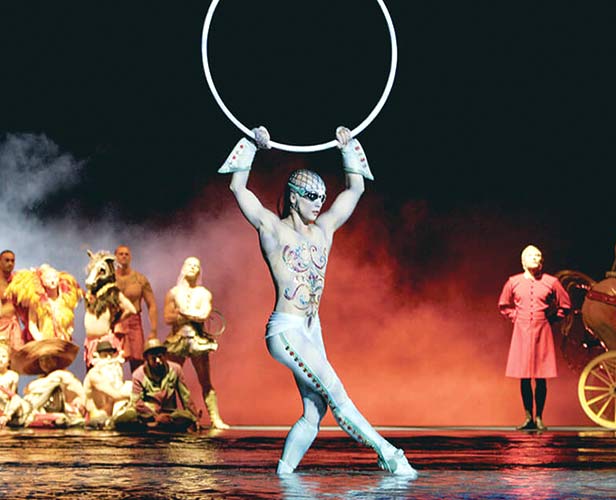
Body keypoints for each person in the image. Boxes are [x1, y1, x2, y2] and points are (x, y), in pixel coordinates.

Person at [223, 125, 415, 476]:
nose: (319, 205)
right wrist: (251, 143)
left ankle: (284, 474)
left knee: (315, 411)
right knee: (336, 391)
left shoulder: (324, 230)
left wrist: (348, 147)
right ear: (294, 197)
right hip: (286, 330)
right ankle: (389, 454)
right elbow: (238, 186)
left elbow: (355, 188)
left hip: (312, 329)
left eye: (322, 199)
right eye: (312, 198)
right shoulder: (272, 228)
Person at [498, 245, 571, 431]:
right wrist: (515, 317)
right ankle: (528, 417)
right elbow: (503, 305)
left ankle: (539, 417)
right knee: (524, 377)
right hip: (521, 332)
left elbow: (565, 305)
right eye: (530, 255)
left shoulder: (551, 282)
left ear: (542, 261)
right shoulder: (513, 282)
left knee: (540, 377)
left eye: (538, 255)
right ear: (523, 261)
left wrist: (552, 319)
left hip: (542, 331)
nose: (534, 258)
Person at [163, 256, 228, 429]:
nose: (192, 268)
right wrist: (190, 314)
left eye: (196, 266)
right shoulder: (173, 292)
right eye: (189, 265)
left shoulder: (204, 293)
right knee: (170, 379)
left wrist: (183, 312)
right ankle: (170, 416)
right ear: (183, 268)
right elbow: (168, 317)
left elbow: (203, 315)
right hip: (177, 339)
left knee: (205, 381)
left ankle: (215, 418)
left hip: (197, 340)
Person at [118, 338, 198, 432]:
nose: (158, 361)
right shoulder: (138, 374)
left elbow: (185, 397)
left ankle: (161, 425)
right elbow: (137, 402)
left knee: (186, 417)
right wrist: (155, 417)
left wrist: (194, 418)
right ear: (147, 359)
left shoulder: (175, 369)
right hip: (147, 415)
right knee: (126, 418)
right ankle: (151, 425)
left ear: (165, 356)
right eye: (154, 358)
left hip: (169, 414)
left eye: (161, 357)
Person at [5, 339, 86, 428]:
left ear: (55, 360)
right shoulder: (44, 378)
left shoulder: (61, 375)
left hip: (72, 414)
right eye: (41, 360)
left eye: (48, 359)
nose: (44, 363)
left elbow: (36, 387)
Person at [83, 250, 137, 370]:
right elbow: (89, 282)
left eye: (101, 271)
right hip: (91, 342)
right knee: (92, 379)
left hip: (105, 342)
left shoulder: (112, 292)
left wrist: (116, 320)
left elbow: (131, 309)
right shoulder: (91, 293)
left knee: (108, 377)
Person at [114, 246, 158, 373]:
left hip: (134, 323)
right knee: (113, 360)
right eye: (121, 254)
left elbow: (152, 305)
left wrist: (153, 330)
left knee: (138, 361)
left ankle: (138, 390)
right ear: (115, 257)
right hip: (114, 322)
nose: (124, 256)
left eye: (126, 254)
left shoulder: (140, 279)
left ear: (130, 257)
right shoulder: (109, 279)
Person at [83, 340, 132, 429]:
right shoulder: (94, 375)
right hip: (97, 420)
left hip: (110, 418)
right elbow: (116, 395)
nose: (109, 359)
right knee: (128, 387)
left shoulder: (115, 373)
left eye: (111, 355)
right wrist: (135, 392)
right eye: (105, 356)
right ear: (97, 357)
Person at [0, 250, 26, 351]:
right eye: (7, 260)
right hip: (1, 328)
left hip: (15, 328)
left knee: (16, 360)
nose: (10, 263)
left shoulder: (18, 281)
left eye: (12, 261)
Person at [0, 344, 19, 428]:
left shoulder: (13, 375)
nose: (0, 359)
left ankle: (6, 417)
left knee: (16, 399)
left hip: (6, 406)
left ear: (9, 360)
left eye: (3, 356)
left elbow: (13, 396)